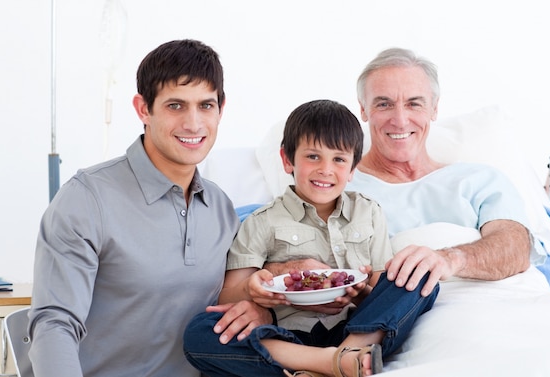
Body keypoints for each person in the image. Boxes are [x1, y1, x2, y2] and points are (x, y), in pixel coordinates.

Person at [28, 39, 271, 377]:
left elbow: (234, 300)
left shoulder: (220, 207)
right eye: (175, 106)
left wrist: (260, 313)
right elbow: (53, 325)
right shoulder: (86, 199)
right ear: (143, 109)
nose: (193, 124)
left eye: (205, 105)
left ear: (221, 108)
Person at [183, 99, 439, 377]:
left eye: (339, 159)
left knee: (420, 274)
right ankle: (330, 364)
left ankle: (343, 356)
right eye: (313, 156)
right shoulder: (262, 221)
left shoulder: (369, 212)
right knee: (201, 331)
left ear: (353, 168)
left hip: (358, 329)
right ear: (287, 160)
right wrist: (255, 290)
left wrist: (358, 293)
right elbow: (229, 294)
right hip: (287, 337)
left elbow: (381, 295)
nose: (325, 170)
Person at [344, 47, 548, 295]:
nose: (400, 120)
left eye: (414, 104)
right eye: (384, 104)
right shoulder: (338, 189)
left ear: (434, 108)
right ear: (364, 110)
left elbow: (515, 249)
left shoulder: (480, 180)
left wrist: (450, 260)